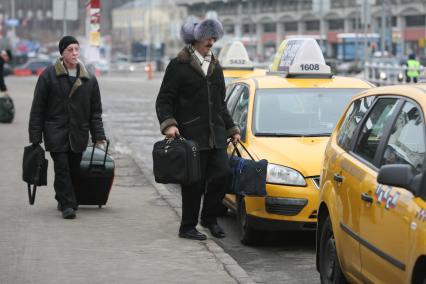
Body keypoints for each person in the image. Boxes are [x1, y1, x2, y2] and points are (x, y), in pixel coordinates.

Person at [156, 19, 241, 240]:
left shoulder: (216, 66)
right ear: (195, 40)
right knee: (194, 183)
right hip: (191, 136)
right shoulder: (178, 66)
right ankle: (187, 227)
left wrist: (232, 129)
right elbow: (164, 100)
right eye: (207, 38)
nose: (211, 42)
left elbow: (220, 104)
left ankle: (209, 218)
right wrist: (169, 124)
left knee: (222, 174)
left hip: (217, 135)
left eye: (214, 38)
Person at [28, 36, 106, 219]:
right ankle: (68, 205)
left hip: (78, 132)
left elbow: (95, 112)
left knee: (73, 169)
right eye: (70, 49)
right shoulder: (48, 76)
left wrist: (99, 136)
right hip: (55, 131)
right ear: (61, 53)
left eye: (76, 49)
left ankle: (62, 197)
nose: (74, 53)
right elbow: (37, 108)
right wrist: (35, 137)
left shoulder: (89, 79)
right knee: (62, 167)